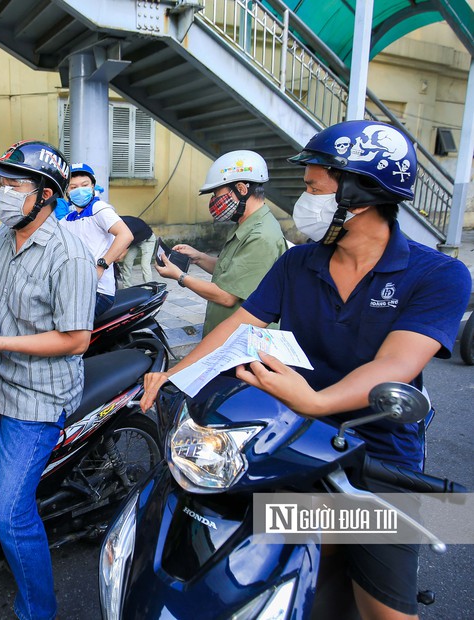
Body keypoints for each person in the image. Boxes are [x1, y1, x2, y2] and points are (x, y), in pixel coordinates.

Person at [141, 121, 471, 619]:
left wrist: (316, 401)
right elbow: (238, 324)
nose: (304, 201)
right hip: (290, 440)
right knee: (236, 560)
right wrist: (174, 376)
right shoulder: (298, 264)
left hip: (377, 453)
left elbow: (395, 365)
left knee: (386, 608)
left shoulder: (440, 274)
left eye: (314, 188)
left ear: (361, 193)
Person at [0, 141, 96, 620]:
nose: (2, 192)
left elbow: (76, 340)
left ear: (46, 196)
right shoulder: (5, 237)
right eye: (1, 182)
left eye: (14, 184)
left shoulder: (69, 255)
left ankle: (37, 611)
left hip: (37, 394)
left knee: (10, 515)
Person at [155, 150, 287, 336]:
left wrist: (179, 276)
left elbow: (226, 296)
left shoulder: (260, 236)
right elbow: (233, 271)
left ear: (241, 189)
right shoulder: (246, 223)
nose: (214, 201)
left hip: (243, 341)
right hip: (228, 334)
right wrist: (198, 257)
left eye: (217, 193)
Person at [58, 163, 132, 317]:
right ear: (67, 192)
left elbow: (125, 235)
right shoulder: (68, 219)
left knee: (68, 326)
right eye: (73, 187)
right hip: (77, 288)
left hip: (99, 291)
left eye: (84, 185)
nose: (79, 190)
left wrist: (101, 266)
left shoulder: (98, 208)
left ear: (92, 186)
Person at [116, 214, 156, 288]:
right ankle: (127, 286)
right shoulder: (117, 222)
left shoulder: (128, 226)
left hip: (147, 240)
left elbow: (124, 249)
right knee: (127, 262)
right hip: (135, 240)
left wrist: (117, 257)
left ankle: (149, 288)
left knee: (145, 265)